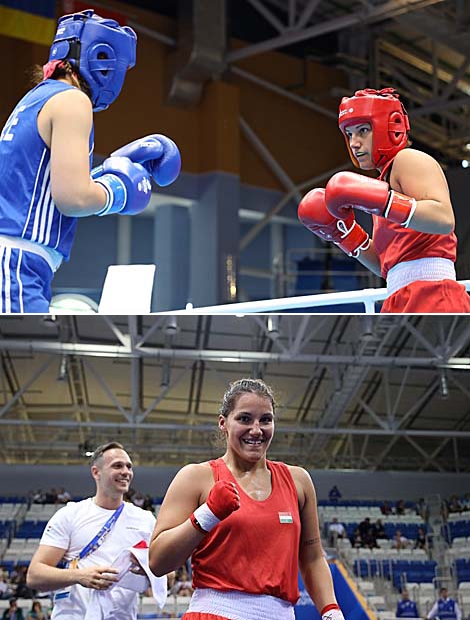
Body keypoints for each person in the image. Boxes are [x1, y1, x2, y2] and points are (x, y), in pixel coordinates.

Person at [0, 8, 181, 313]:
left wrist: (102, 175)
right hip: (16, 263)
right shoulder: (73, 100)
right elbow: (73, 199)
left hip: (19, 263)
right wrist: (118, 190)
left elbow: (44, 190)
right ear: (101, 57)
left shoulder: (37, 98)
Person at [148, 378, 346, 620]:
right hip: (215, 613)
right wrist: (207, 514)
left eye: (266, 420)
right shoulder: (196, 477)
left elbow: (313, 557)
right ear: (223, 423)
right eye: (244, 419)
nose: (256, 429)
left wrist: (331, 611)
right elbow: (158, 561)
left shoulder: (299, 481)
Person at [298, 87, 470, 313]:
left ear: (391, 127)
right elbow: (385, 265)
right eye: (349, 134)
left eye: (362, 130)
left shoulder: (408, 160)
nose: (354, 143)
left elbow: (443, 218)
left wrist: (385, 202)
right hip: (398, 296)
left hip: (432, 292)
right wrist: (346, 235)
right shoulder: (383, 185)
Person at [26, 442, 167, 620]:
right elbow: (34, 576)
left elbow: (168, 574)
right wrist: (79, 576)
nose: (126, 472)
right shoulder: (70, 515)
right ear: (96, 472)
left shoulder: (145, 520)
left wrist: (147, 570)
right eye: (117, 466)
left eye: (129, 466)